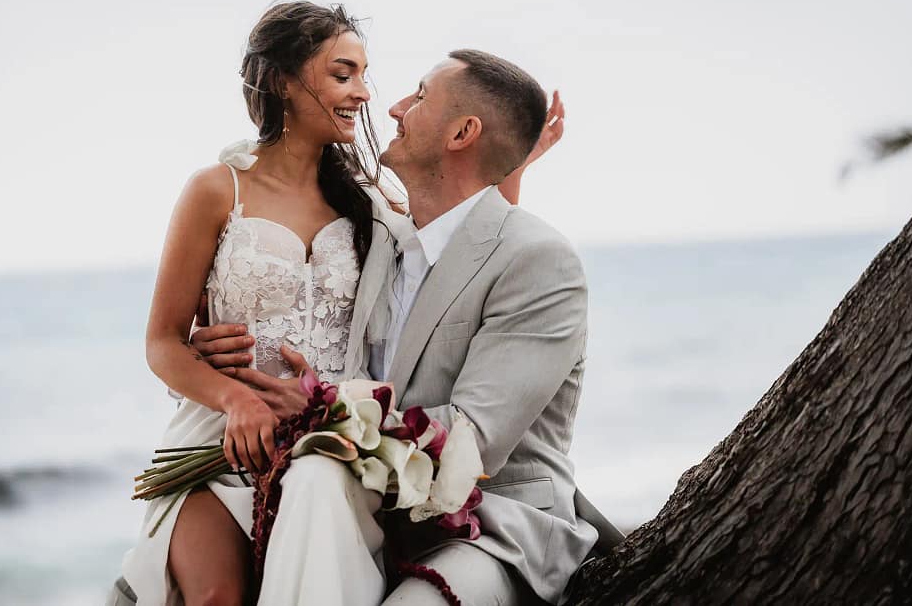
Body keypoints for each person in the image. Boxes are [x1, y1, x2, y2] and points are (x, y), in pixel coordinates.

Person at [112, 1, 566, 605]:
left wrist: (508, 162)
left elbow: (463, 251)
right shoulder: (216, 190)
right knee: (219, 598)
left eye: (363, 75)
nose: (363, 94)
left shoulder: (372, 201)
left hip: (325, 452)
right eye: (342, 74)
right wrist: (235, 398)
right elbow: (162, 342)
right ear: (282, 81)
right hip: (222, 444)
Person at [187, 51, 624, 604]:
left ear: (463, 132)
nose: (391, 107)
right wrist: (223, 338)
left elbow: (473, 439)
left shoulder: (541, 260)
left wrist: (322, 412)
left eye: (418, 97)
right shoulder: (378, 239)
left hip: (492, 527)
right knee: (311, 485)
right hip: (372, 514)